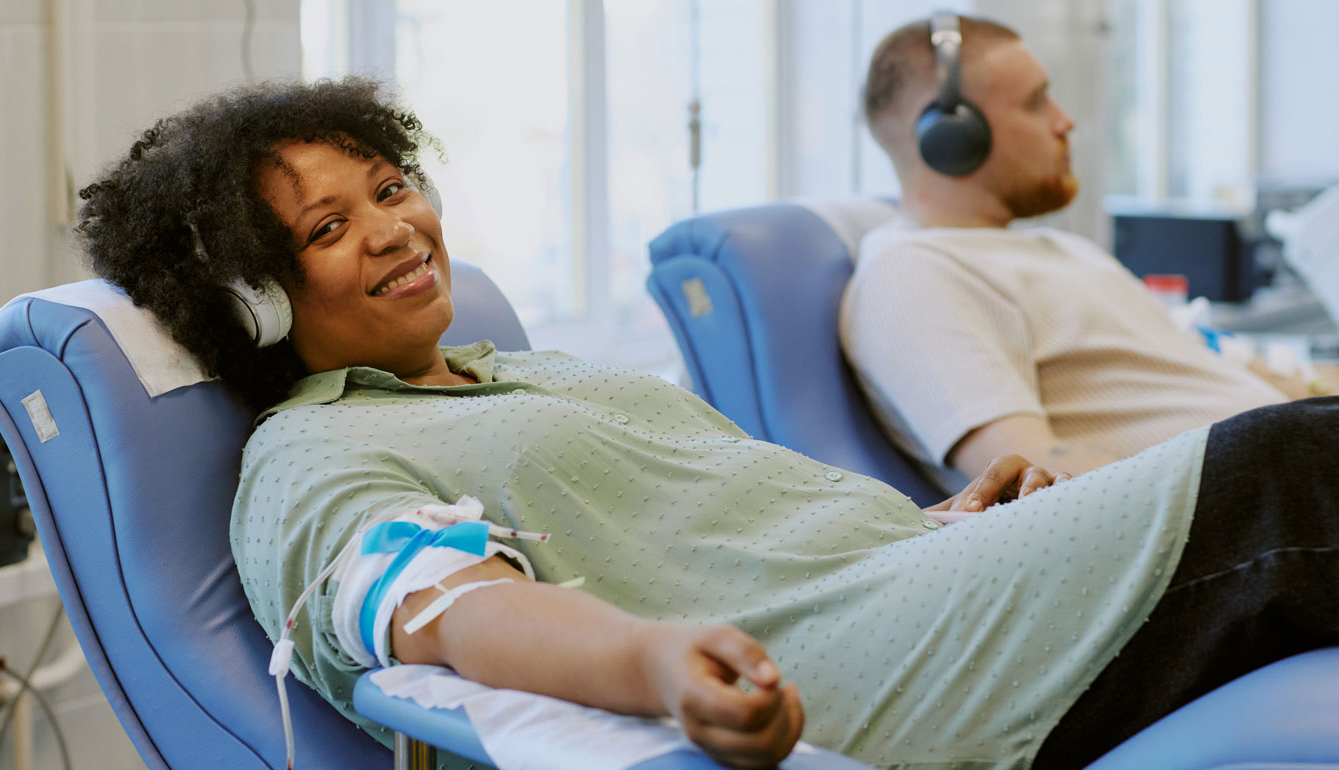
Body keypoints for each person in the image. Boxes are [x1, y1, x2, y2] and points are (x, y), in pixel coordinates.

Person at [76, 78, 1339, 770]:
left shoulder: (535, 373)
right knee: (1292, 466)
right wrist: (657, 666)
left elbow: (741, 532)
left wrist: (945, 519)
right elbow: (446, 608)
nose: (396, 228)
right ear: (251, 299)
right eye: (328, 227)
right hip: (864, 681)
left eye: (392, 186)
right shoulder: (312, 457)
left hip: (934, 585)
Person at [843, 13, 1338, 489]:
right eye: (1036, 103)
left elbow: (1230, 369)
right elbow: (1025, 477)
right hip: (1257, 507)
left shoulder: (1061, 250)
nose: (1065, 122)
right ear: (951, 137)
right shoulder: (913, 271)